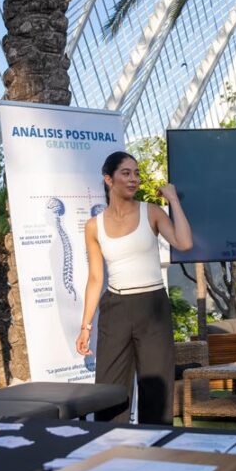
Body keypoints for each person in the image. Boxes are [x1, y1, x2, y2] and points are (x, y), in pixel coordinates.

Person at [76, 151, 192, 424]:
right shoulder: (93, 226)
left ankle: (156, 444)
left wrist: (173, 200)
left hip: (152, 305)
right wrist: (85, 326)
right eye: (126, 173)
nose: (134, 179)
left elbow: (184, 243)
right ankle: (111, 443)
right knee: (110, 388)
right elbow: (95, 278)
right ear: (109, 179)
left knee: (156, 387)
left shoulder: (151, 212)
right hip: (115, 307)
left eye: (136, 173)